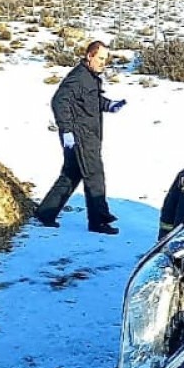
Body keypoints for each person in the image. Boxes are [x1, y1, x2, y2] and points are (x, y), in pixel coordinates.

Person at [33, 40, 126, 234]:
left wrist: (108, 105)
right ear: (90, 56)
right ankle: (99, 222)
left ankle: (46, 213)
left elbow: (90, 100)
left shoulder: (90, 77)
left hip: (86, 135)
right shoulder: (78, 77)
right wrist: (66, 130)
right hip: (81, 136)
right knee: (94, 177)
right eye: (100, 58)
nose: (103, 63)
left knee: (71, 174)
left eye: (105, 59)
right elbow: (59, 101)